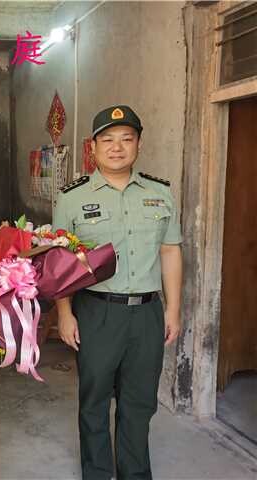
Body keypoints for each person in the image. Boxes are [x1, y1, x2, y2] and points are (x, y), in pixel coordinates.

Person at [53, 105, 183, 480]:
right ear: (92, 148)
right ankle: (96, 473)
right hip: (97, 311)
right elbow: (60, 261)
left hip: (146, 313)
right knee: (94, 401)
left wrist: (173, 310)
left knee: (139, 403)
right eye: (107, 140)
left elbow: (170, 251)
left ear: (138, 145)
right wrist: (64, 313)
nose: (117, 147)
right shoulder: (71, 198)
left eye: (126, 139)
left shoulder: (160, 193)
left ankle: (135, 474)